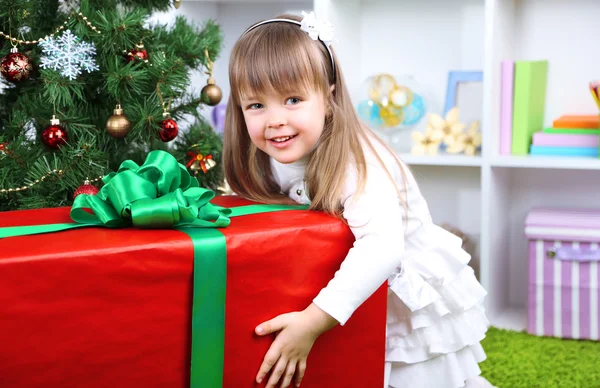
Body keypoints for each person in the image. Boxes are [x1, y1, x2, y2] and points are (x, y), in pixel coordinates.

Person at [223, 11, 494, 388]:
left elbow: (382, 248)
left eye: (293, 99)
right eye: (256, 105)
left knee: (410, 376)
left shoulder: (356, 160)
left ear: (329, 94)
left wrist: (313, 321)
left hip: (400, 294)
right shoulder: (269, 154)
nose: (275, 120)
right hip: (345, 284)